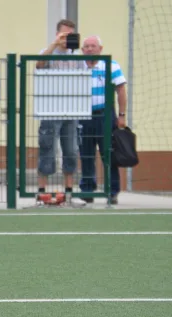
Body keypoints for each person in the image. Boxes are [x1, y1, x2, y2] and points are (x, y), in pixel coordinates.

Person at [35, 19, 85, 203]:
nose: (66, 39)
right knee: (47, 148)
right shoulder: (48, 52)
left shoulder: (77, 57)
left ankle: (69, 192)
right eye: (63, 35)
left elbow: (84, 78)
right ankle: (41, 193)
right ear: (57, 34)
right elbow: (39, 65)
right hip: (50, 110)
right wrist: (55, 44)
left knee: (71, 150)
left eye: (70, 35)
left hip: (70, 111)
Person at [80, 36, 127, 205]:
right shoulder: (77, 66)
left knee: (108, 153)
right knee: (86, 154)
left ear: (100, 48)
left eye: (93, 46)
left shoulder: (111, 66)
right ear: (82, 50)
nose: (90, 49)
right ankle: (87, 190)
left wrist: (122, 115)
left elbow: (121, 90)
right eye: (86, 46)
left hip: (105, 115)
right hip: (82, 115)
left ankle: (111, 191)